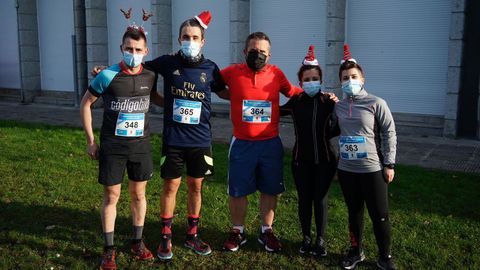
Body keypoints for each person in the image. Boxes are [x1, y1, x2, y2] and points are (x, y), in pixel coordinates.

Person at [143, 11, 229, 260]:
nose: (190, 41)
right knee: (170, 186)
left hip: (200, 141)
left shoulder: (210, 68)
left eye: (194, 37)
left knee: (195, 187)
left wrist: (254, 95)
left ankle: (192, 236)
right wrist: (109, 70)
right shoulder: (167, 62)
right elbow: (138, 68)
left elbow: (225, 92)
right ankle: (166, 237)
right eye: (185, 37)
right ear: (179, 39)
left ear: (203, 41)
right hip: (174, 140)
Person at [80, 21, 157, 270]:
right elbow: (85, 104)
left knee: (139, 195)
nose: (132, 54)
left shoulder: (150, 75)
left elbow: (157, 98)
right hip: (113, 147)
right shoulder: (107, 75)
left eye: (137, 50)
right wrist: (91, 141)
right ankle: (109, 250)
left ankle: (137, 241)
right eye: (128, 48)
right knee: (112, 196)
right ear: (121, 47)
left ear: (145, 51)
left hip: (141, 146)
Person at [220, 32, 304, 253]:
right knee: (238, 190)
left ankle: (266, 231)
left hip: (270, 144)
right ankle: (238, 230)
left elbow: (293, 92)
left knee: (270, 189)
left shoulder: (276, 73)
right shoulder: (231, 72)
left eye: (262, 52)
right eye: (253, 51)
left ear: (269, 55)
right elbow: (213, 84)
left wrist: (320, 95)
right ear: (245, 52)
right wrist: (232, 97)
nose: (257, 55)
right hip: (241, 143)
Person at [334, 45, 397, 270]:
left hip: (372, 169)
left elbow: (389, 133)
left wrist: (389, 164)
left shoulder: (376, 103)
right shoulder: (338, 106)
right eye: (345, 77)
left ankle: (385, 256)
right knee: (354, 214)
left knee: (380, 215)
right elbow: (331, 129)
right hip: (347, 169)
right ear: (340, 81)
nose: (349, 80)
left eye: (353, 76)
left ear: (362, 79)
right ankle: (355, 251)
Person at [280, 45, 339, 256]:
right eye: (307, 79)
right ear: (300, 82)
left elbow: (340, 126)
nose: (311, 82)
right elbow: (274, 112)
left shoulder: (329, 102)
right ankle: (306, 237)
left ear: (321, 80)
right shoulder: (295, 101)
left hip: (325, 160)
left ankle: (320, 240)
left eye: (315, 78)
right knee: (304, 199)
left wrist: (336, 106)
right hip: (300, 160)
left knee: (320, 200)